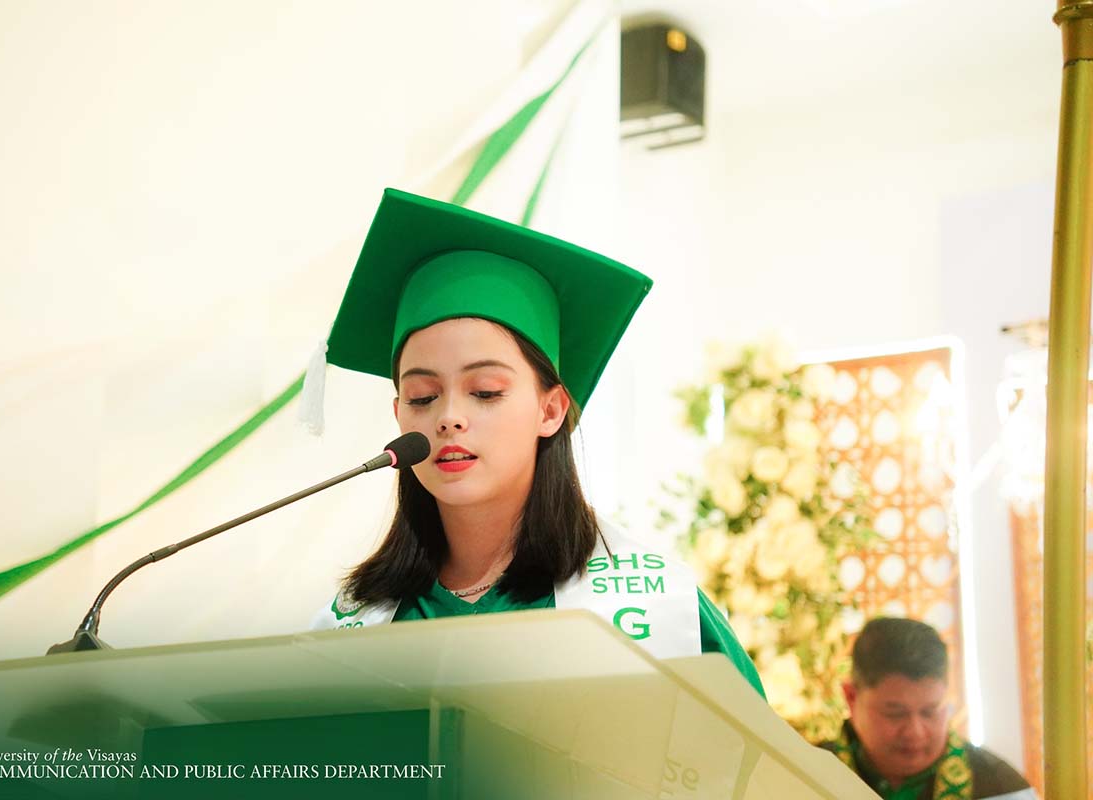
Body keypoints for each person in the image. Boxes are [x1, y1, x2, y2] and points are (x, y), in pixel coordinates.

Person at [306, 188, 764, 697]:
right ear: (399, 416)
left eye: (485, 392)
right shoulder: (359, 621)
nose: (448, 418)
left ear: (550, 411)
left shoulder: (659, 610)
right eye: (422, 397)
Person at [820, 617, 1035, 800]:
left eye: (930, 712)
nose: (915, 732)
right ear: (851, 697)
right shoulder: (806, 773)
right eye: (895, 714)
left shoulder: (1002, 788)